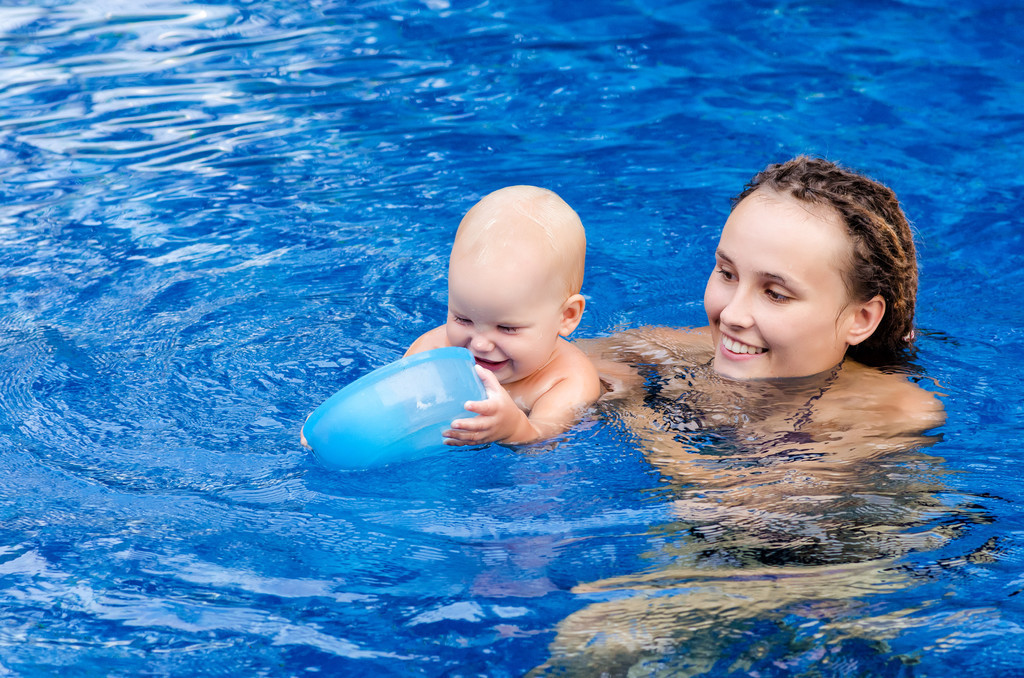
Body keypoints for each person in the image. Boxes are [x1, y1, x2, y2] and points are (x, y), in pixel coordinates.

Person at [530, 157, 949, 674]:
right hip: (730, 552)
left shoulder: (893, 409)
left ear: (861, 318)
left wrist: (633, 412)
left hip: (848, 573)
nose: (732, 313)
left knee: (601, 635)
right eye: (727, 274)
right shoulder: (688, 353)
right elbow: (541, 357)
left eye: (775, 293)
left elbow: (743, 509)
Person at [406, 185, 602, 446]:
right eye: (463, 319)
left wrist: (515, 430)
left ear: (566, 316)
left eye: (507, 328)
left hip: (621, 382)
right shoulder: (431, 350)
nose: (479, 344)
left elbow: (543, 440)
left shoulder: (569, 381)